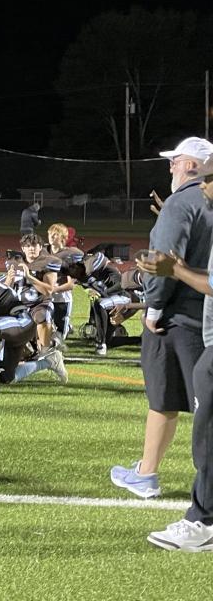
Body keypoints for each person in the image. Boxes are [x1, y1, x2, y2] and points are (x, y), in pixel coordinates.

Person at [110, 136, 213, 499]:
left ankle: (152, 476)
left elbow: (164, 262)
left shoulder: (181, 202)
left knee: (165, 398)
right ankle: (145, 471)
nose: (170, 166)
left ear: (192, 165)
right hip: (207, 312)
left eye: (175, 160)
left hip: (180, 317)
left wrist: (153, 307)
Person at [138, 156, 213, 550]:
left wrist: (175, 270)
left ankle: (203, 520)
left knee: (207, 431)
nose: (202, 187)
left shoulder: (185, 204)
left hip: (192, 327)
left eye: (207, 179)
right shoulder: (196, 206)